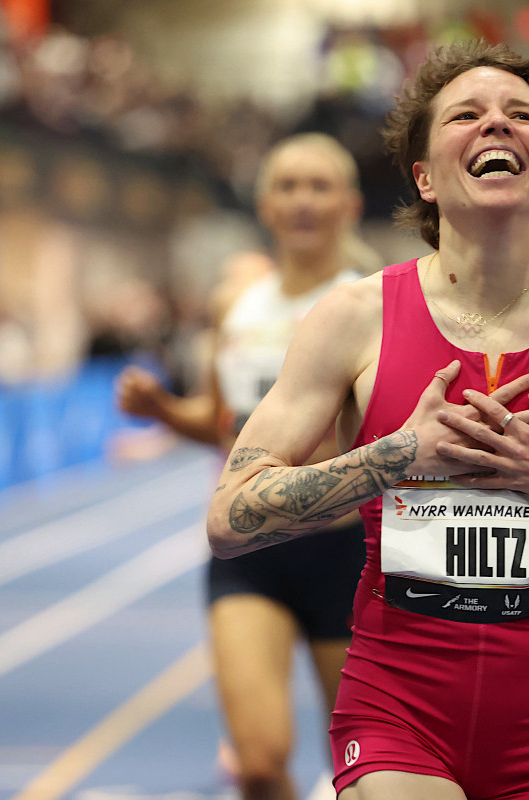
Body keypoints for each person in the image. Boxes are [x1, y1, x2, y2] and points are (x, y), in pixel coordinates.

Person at [207, 41, 529, 799]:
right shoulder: (353, 320)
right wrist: (398, 455)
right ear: (424, 178)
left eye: (521, 115)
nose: (496, 124)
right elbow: (229, 519)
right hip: (397, 714)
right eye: (466, 115)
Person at [117, 133, 371, 800]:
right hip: (250, 550)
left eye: (319, 186)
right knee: (256, 765)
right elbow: (222, 423)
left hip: (346, 551)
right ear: (265, 206)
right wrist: (162, 409)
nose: (303, 200)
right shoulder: (237, 305)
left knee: (365, 771)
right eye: (288, 186)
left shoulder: (371, 304)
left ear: (350, 205)